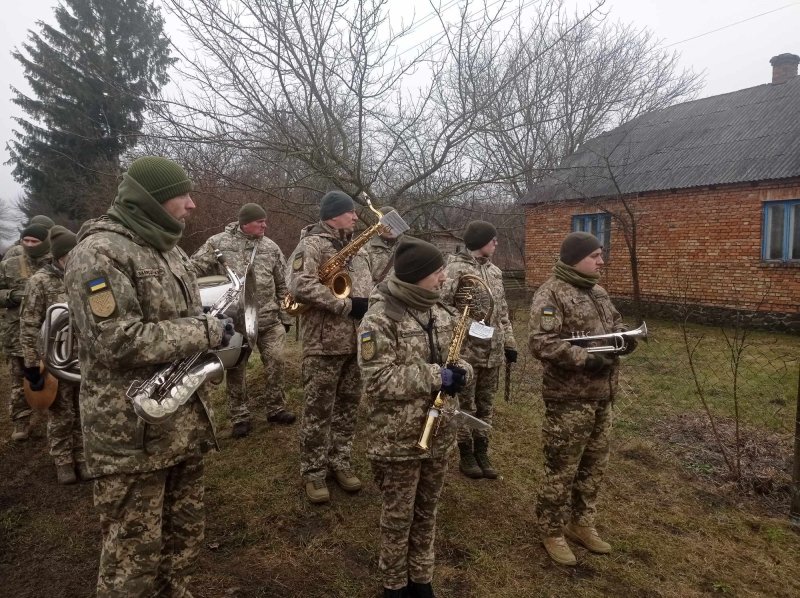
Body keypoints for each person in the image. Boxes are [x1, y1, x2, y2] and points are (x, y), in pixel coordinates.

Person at [65, 156, 230, 596]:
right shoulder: (98, 253)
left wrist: (211, 329)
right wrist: (206, 331)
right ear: (153, 201)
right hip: (131, 437)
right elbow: (117, 341)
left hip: (181, 425)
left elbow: (180, 318)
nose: (193, 204)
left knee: (183, 545)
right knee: (132, 563)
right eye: (183, 195)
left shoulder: (169, 248)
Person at [358, 236, 472, 598]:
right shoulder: (379, 317)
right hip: (397, 439)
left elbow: (457, 357)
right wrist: (438, 376)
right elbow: (377, 378)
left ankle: (421, 580)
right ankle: (394, 584)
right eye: (438, 271)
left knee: (427, 511)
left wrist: (463, 372)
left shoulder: (439, 311)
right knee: (398, 517)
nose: (444, 278)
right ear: (417, 275)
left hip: (438, 434)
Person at [528, 232, 637, 566]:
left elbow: (614, 324)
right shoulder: (551, 293)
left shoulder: (598, 292)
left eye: (600, 255)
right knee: (562, 467)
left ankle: (582, 523)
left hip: (603, 394)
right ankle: (551, 530)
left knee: (594, 464)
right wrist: (586, 359)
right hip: (569, 398)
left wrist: (625, 340)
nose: (601, 261)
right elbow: (541, 342)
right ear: (576, 258)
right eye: (595, 256)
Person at [288, 190, 372, 504]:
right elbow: (300, 284)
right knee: (318, 411)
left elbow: (368, 285)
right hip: (323, 344)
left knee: (348, 408)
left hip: (356, 342)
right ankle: (313, 471)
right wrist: (346, 305)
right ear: (334, 215)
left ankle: (340, 462)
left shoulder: (358, 248)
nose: (355, 216)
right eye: (350, 212)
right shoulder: (311, 245)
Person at [191, 202, 296, 438]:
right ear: (245, 223)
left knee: (277, 361)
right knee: (236, 370)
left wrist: (286, 316)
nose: (265, 225)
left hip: (269, 320)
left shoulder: (270, 247)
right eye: (260, 222)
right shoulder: (218, 243)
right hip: (235, 322)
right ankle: (240, 417)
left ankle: (276, 409)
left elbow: (283, 284)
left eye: (265, 221)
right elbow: (191, 269)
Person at [441, 220, 516, 479]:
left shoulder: (495, 272)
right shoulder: (455, 269)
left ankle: (482, 450)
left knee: (486, 405)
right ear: (480, 241)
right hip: (466, 352)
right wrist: (468, 324)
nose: (496, 243)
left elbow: (502, 311)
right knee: (465, 403)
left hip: (493, 352)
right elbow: (442, 306)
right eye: (492, 239)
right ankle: (466, 452)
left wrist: (509, 342)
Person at [19, 226, 84, 484]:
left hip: (83, 359)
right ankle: (63, 460)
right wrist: (31, 365)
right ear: (59, 256)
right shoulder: (40, 282)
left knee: (83, 410)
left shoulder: (83, 276)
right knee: (61, 412)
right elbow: (29, 324)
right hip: (55, 360)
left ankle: (82, 456)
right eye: (70, 255)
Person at [0, 223, 52, 441]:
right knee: (19, 378)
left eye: (34, 241)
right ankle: (21, 421)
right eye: (26, 240)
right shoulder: (9, 265)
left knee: (55, 377)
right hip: (17, 332)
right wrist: (11, 296)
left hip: (51, 332)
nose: (29, 245)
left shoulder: (54, 263)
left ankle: (56, 420)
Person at [364, 205, 401, 286]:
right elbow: (363, 284)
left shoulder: (406, 246)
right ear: (377, 225)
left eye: (394, 222)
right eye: (386, 223)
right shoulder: (365, 249)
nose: (390, 227)